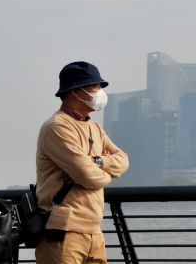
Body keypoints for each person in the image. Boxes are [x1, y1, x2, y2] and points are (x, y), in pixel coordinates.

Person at [35, 61, 129, 264]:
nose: (100, 92)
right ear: (76, 91)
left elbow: (123, 160)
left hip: (95, 233)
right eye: (95, 87)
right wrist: (106, 172)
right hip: (64, 232)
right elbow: (88, 176)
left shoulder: (94, 127)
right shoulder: (57, 127)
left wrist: (98, 160)